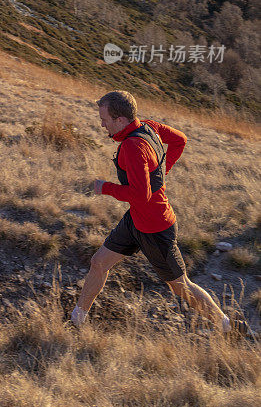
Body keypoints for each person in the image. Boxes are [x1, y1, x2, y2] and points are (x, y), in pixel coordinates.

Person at [71, 90, 240, 335]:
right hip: (135, 220)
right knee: (98, 263)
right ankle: (77, 321)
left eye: (104, 119)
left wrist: (105, 188)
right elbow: (180, 140)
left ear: (120, 120)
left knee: (181, 286)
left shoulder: (132, 146)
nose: (101, 124)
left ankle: (227, 327)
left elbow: (142, 195)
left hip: (155, 227)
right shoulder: (148, 127)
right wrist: (160, 174)